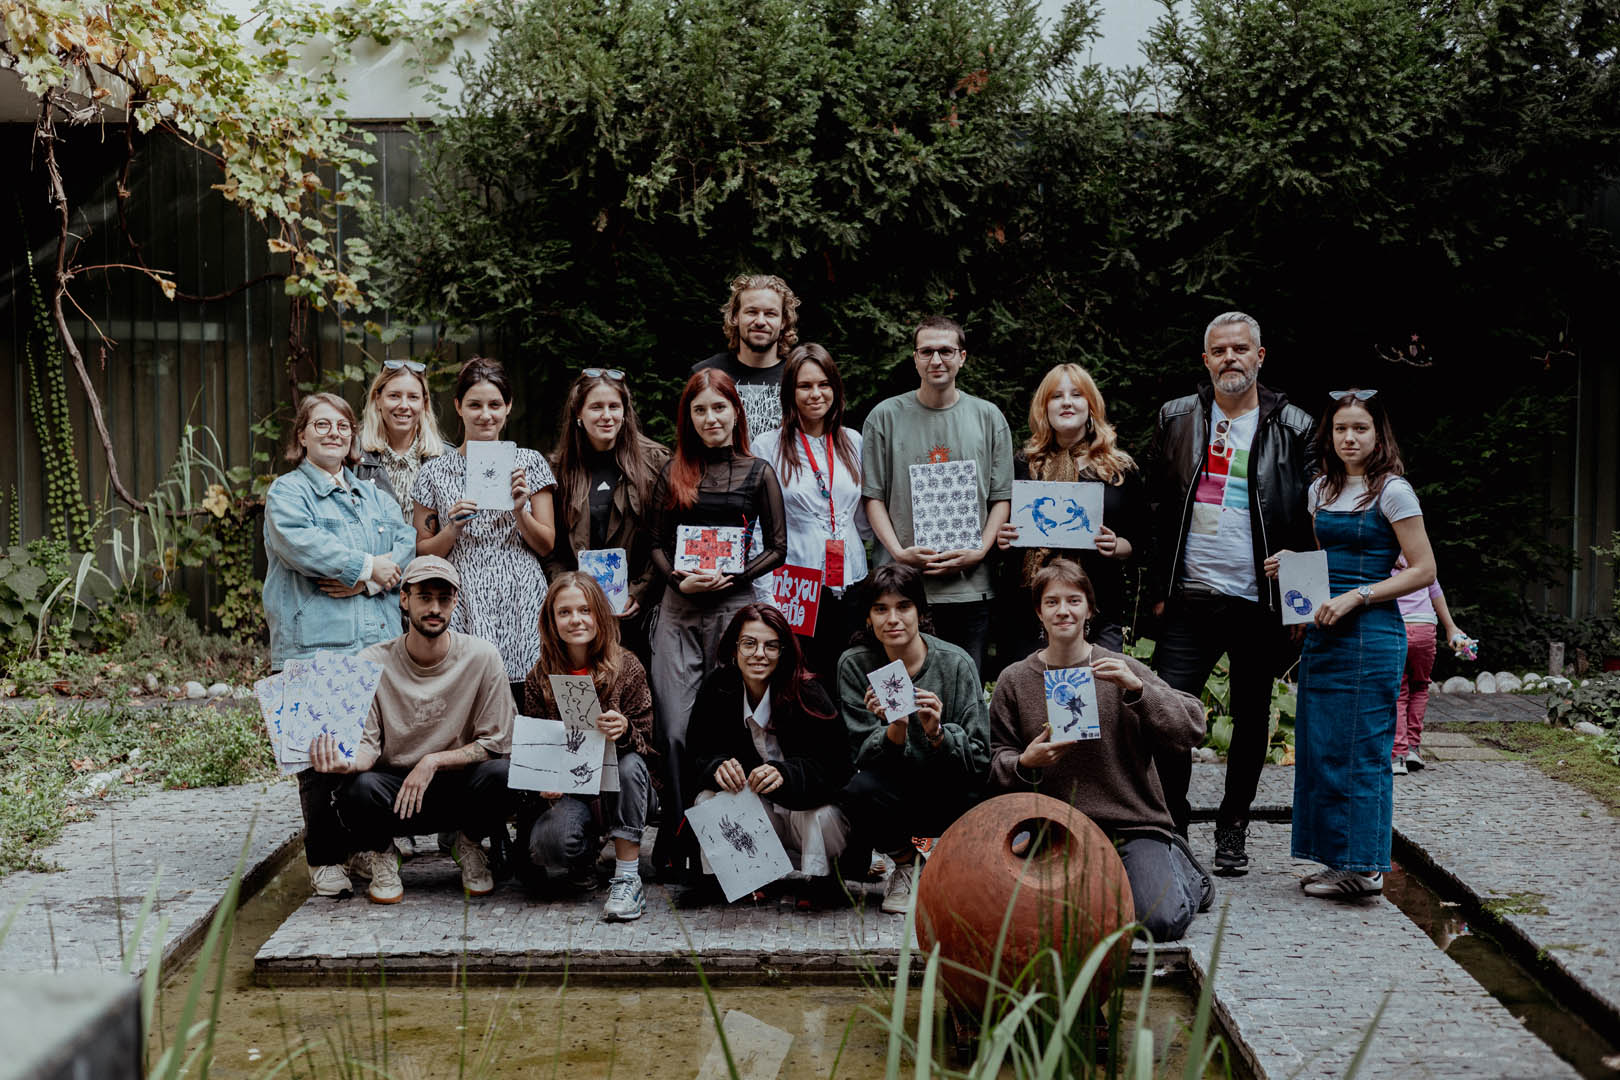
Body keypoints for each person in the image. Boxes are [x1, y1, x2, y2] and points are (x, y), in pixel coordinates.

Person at [1147, 311, 1314, 875]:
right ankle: (1172, 825)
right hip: (1191, 596)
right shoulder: (1177, 417)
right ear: (1206, 360)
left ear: (1259, 356)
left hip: (1259, 601)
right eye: (1219, 351)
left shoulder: (1294, 425)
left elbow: (1313, 518)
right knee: (1169, 715)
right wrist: (1159, 590)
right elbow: (1157, 509)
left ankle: (1233, 825)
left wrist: (1300, 596)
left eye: (1240, 349)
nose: (1230, 359)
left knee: (1252, 716)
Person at [1265, 388, 1437, 898]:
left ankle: (1366, 868)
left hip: (1372, 635)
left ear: (1378, 436)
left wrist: (1358, 596)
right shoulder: (1320, 489)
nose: (1349, 438)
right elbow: (1329, 560)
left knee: (1361, 752)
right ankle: (1338, 860)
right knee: (1321, 749)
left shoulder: (1394, 492)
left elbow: (1424, 570)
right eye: (1341, 428)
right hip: (1325, 632)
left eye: (1360, 428)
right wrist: (1293, 564)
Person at [987, 559, 1212, 942]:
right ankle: (1108, 882)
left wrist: (1139, 691)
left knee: (1160, 922)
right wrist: (1025, 762)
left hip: (1131, 824)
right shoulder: (1015, 680)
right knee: (1022, 918)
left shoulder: (1121, 667)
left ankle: (1181, 868)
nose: (1063, 611)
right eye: (1052, 602)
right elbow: (995, 762)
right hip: (1053, 829)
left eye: (1073, 601)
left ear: (1090, 609)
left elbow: (1193, 727)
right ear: (1039, 612)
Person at [302, 556, 514, 903]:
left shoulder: (482, 657)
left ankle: (468, 842)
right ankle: (383, 852)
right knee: (355, 788)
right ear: (404, 599)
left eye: (443, 599)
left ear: (455, 602)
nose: (435, 609)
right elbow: (367, 748)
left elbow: (496, 743)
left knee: (503, 774)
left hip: (458, 789)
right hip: (397, 795)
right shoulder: (372, 661)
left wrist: (433, 761)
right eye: (424, 597)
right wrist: (345, 763)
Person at [647, 369, 786, 851]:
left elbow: (778, 547)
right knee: (675, 727)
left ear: (735, 412)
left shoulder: (758, 472)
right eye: (700, 409)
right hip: (680, 609)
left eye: (719, 407)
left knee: (730, 726)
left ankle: (732, 844)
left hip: (735, 609)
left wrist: (738, 576)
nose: (710, 418)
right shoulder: (673, 471)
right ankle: (680, 837)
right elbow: (655, 543)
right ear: (688, 417)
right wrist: (676, 578)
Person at [861, 316, 1013, 673]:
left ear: (962, 357)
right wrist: (899, 554)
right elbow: (873, 497)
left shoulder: (988, 417)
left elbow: (1001, 498)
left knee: (964, 684)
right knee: (898, 689)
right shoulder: (884, 417)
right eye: (926, 351)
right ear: (915, 358)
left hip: (968, 586)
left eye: (946, 351)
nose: (936, 360)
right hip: (900, 587)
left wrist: (979, 552)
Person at [836, 563, 991, 914]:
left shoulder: (955, 663)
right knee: (858, 790)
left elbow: (981, 760)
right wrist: (897, 728)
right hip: (894, 792)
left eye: (903, 607)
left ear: (921, 613)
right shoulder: (856, 665)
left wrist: (938, 733)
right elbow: (859, 758)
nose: (893, 619)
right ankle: (908, 864)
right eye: (880, 609)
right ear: (868, 619)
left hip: (949, 789)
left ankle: (951, 860)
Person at [687, 604, 854, 909]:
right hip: (759, 811)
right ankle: (749, 876)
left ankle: (822, 880)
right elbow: (696, 755)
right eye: (749, 643)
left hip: (806, 814)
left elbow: (838, 768)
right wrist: (716, 767)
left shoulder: (808, 692)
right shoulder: (717, 688)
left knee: (822, 814)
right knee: (708, 799)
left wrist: (787, 774)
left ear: (783, 652)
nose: (759, 654)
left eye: (771, 646)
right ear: (734, 648)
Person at [412, 357, 558, 703]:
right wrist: (452, 528)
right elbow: (422, 552)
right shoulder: (434, 472)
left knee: (528, 695)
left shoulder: (529, 462)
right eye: (475, 405)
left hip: (521, 595)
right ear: (458, 407)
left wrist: (520, 510)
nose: (485, 415)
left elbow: (547, 544)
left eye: (495, 404)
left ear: (508, 407)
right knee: (467, 695)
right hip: (463, 594)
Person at [515, 572, 659, 921]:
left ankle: (627, 878)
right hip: (573, 791)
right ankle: (583, 862)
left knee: (630, 765)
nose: (576, 620)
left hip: (623, 788)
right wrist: (544, 783)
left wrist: (625, 730)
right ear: (551, 621)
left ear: (599, 615)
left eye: (584, 610)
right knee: (549, 844)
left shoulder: (628, 667)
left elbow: (648, 749)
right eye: (564, 612)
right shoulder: (540, 676)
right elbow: (538, 744)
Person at [996, 363, 1147, 654]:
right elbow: (1000, 535)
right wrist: (1002, 540)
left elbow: (1140, 541)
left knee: (1100, 681)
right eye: (1056, 396)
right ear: (1044, 408)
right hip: (1028, 612)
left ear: (1091, 406)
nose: (1066, 402)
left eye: (1077, 395)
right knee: (1031, 683)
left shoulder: (1119, 469)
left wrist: (1116, 545)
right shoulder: (1021, 465)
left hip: (1098, 609)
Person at [263, 392, 417, 674]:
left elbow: (407, 546)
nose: (334, 433)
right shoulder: (287, 492)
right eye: (322, 424)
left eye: (343, 426)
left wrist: (368, 583)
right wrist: (368, 567)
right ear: (302, 436)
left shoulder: (376, 497)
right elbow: (302, 544)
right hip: (316, 654)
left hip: (383, 645)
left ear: (351, 438)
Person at [750, 344, 871, 687]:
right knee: (803, 682)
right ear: (790, 392)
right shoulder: (767, 446)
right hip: (796, 584)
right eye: (805, 386)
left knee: (850, 677)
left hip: (851, 579)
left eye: (824, 384)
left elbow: (866, 518)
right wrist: (766, 598)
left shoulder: (853, 441)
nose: (816, 394)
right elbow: (758, 529)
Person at [544, 368, 670, 659]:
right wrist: (569, 593)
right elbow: (550, 549)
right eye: (596, 407)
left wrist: (640, 591)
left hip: (636, 609)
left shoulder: (655, 462)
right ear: (579, 413)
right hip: (579, 614)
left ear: (625, 412)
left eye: (614, 406)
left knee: (632, 680)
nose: (607, 416)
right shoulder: (558, 469)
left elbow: (666, 536)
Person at [691, 273, 801, 439]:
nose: (760, 321)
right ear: (735, 316)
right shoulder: (705, 372)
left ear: (783, 321)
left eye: (770, 314)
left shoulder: (797, 376)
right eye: (751, 312)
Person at [1390, 556, 1468, 775]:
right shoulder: (1419, 555)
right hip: (1424, 626)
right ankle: (1413, 748)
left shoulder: (1383, 554)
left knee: (1397, 690)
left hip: (1396, 626)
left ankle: (1398, 755)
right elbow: (1435, 589)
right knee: (1420, 686)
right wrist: (1451, 627)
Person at [355, 358, 449, 521]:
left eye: (413, 397)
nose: (404, 405)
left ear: (424, 403)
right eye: (394, 396)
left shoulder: (446, 458)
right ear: (378, 399)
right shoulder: (353, 455)